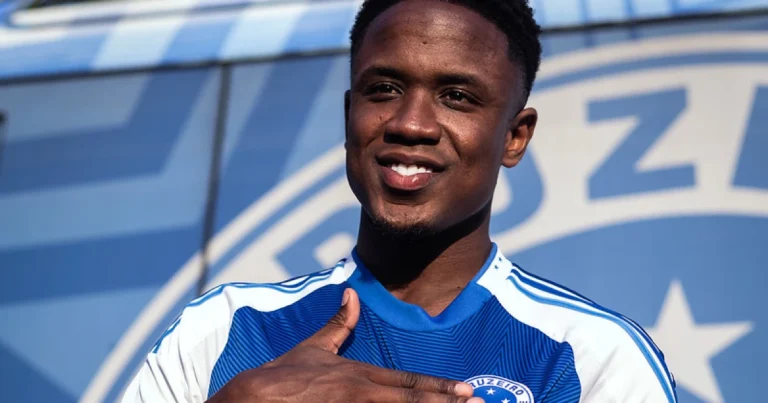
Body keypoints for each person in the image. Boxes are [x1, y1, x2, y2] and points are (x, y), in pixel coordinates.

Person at [122, 0, 677, 402]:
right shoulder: (224, 331)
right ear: (349, 116)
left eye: (456, 96)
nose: (410, 124)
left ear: (515, 136)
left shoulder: (591, 355)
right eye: (384, 89)